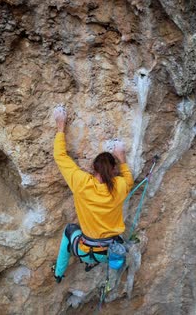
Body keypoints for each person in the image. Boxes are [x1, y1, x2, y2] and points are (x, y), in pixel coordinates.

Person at [52, 106, 134, 283]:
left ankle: (58, 273)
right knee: (111, 240)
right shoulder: (120, 186)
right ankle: (93, 262)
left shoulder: (82, 183)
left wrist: (61, 126)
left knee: (69, 230)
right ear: (114, 170)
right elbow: (128, 178)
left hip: (82, 249)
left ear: (93, 169)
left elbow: (60, 156)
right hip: (107, 254)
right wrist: (122, 157)